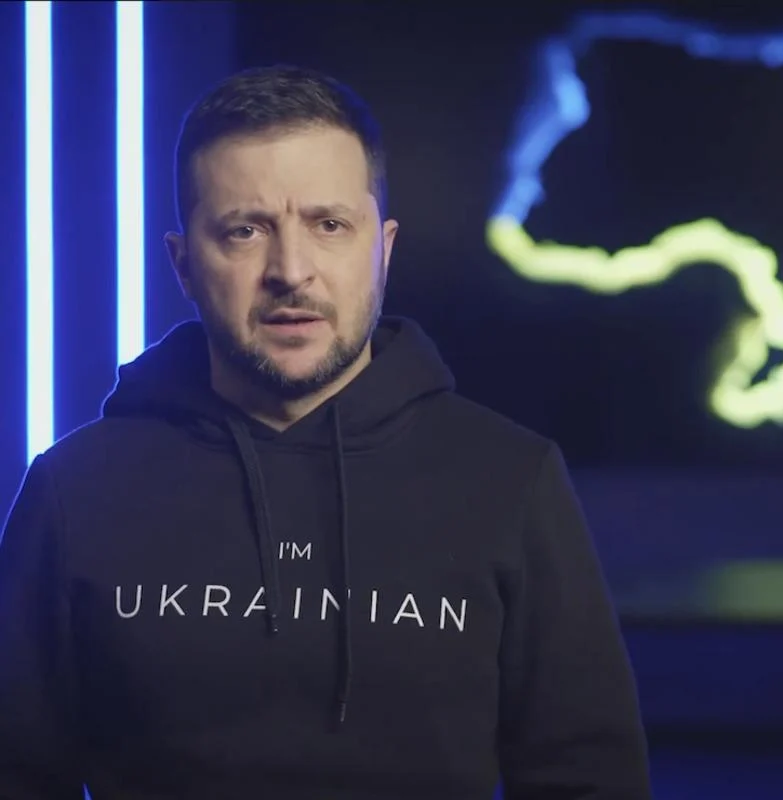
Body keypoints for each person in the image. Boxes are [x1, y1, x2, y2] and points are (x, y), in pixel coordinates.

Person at [0, 65, 651, 799]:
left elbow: (593, 782)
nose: (291, 270)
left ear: (384, 248)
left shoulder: (510, 480)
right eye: (245, 230)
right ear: (183, 265)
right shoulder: (75, 491)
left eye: (329, 225)